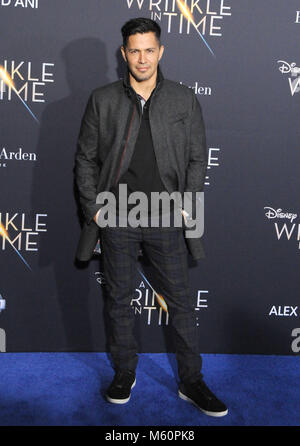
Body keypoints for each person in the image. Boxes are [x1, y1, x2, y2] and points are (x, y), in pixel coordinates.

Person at [75, 17, 228, 417]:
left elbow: (197, 158)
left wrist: (186, 204)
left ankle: (191, 380)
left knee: (180, 302)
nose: (142, 58)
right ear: (123, 53)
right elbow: (85, 160)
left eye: (149, 49)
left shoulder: (184, 99)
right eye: (134, 50)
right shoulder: (102, 99)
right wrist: (96, 209)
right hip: (118, 218)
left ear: (160, 51)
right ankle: (125, 372)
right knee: (119, 301)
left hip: (166, 219)